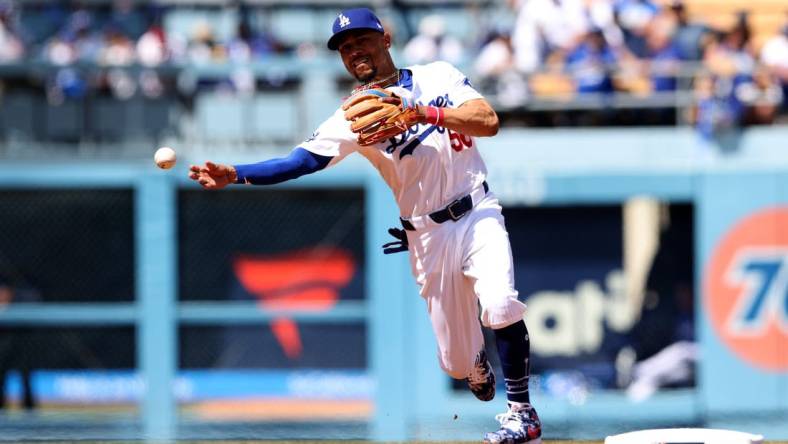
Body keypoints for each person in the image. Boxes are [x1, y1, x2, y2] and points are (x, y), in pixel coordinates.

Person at [188, 8, 541, 443]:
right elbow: (298, 162)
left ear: (386, 39)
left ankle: (522, 414)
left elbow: (487, 121)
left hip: (477, 209)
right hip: (426, 235)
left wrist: (422, 113)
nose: (354, 51)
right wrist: (236, 173)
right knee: (453, 363)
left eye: (361, 40)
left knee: (501, 304)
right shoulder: (352, 116)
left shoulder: (439, 77)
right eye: (345, 47)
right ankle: (472, 365)